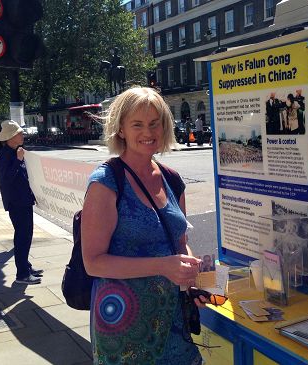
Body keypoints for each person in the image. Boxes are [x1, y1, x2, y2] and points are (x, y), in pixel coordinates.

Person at [81, 87, 205, 364]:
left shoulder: (172, 179)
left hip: (173, 319)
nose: (148, 132)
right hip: (125, 326)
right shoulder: (107, 181)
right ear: (121, 129)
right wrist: (163, 265)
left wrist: (193, 276)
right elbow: (93, 262)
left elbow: (179, 242)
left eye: (154, 123)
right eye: (137, 124)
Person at [0, 120, 43, 285]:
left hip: (23, 200)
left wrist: (32, 193)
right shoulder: (5, 155)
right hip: (17, 202)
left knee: (26, 235)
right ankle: (22, 274)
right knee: (22, 236)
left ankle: (26, 266)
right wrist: (18, 160)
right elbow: (7, 178)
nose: (23, 135)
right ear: (10, 137)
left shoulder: (14, 151)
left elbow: (24, 177)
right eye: (19, 133)